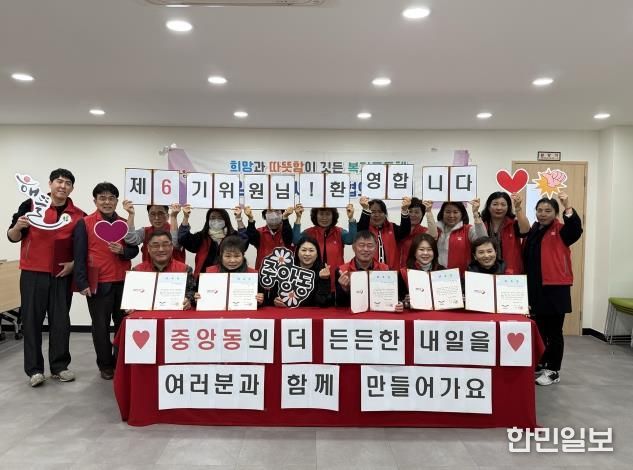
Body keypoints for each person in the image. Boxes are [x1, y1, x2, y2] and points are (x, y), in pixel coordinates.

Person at [7, 168, 85, 387]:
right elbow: (12, 236)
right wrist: (17, 226)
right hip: (33, 273)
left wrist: (74, 265)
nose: (63, 186)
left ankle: (59, 367)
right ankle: (34, 370)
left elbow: (84, 248)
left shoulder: (79, 215)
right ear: (50, 184)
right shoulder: (30, 205)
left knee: (61, 322)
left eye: (67, 183)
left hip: (61, 274)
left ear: (72, 188)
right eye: (59, 181)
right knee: (31, 321)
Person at [73, 182, 139, 380]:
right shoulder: (85, 223)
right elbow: (79, 254)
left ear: (117, 201)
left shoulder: (123, 223)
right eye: (102, 198)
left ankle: (120, 362)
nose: (107, 202)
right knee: (100, 326)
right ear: (95, 201)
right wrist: (82, 282)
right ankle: (105, 365)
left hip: (124, 281)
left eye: (111, 198)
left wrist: (123, 251)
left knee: (122, 325)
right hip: (98, 283)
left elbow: (134, 249)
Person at [524, 193, 582, 386]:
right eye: (539, 210)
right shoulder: (534, 230)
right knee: (539, 329)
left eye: (548, 211)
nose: (542, 214)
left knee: (554, 332)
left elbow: (575, 230)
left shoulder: (562, 230)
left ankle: (553, 370)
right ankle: (541, 363)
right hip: (535, 288)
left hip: (555, 288)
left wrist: (567, 206)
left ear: (556, 213)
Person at [335, 230, 402, 311]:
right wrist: (345, 289)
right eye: (361, 245)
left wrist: (398, 304)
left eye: (370, 246)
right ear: (353, 247)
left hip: (380, 315)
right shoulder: (342, 271)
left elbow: (395, 299)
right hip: (354, 316)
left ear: (375, 248)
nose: (366, 249)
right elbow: (340, 305)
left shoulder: (386, 270)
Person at [132, 230, 196, 310]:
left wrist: (188, 300)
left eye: (165, 245)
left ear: (172, 246)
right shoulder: (137, 271)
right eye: (155, 246)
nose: (161, 249)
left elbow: (192, 292)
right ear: (148, 248)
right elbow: (130, 296)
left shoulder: (185, 270)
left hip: (175, 314)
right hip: (145, 315)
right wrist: (129, 306)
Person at [178, 205, 247, 277]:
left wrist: (239, 218)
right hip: (203, 278)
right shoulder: (201, 236)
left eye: (220, 218)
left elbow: (244, 242)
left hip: (231, 278)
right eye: (213, 218)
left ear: (226, 220)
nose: (216, 220)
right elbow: (183, 239)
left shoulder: (233, 236)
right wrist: (186, 217)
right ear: (208, 220)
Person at [266, 236, 333, 308]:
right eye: (304, 250)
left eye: (311, 250)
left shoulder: (322, 272)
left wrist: (323, 280)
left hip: (310, 313)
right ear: (297, 252)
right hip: (284, 313)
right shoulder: (285, 269)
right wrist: (276, 301)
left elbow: (323, 302)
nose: (307, 254)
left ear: (317, 254)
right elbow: (271, 299)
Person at [198, 235, 264, 306]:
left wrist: (261, 300)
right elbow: (196, 297)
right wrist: (196, 299)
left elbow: (264, 300)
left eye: (237, 256)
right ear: (221, 255)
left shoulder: (253, 275)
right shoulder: (209, 273)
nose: (232, 260)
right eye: (228, 256)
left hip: (243, 311)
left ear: (243, 255)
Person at [292, 203, 356, 274]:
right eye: (321, 214)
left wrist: (351, 218)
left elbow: (351, 240)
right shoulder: (309, 232)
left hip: (336, 276)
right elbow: (296, 241)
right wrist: (298, 218)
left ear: (333, 216)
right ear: (316, 215)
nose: (324, 218)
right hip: (315, 277)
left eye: (328, 214)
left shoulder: (339, 232)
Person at [480, 192, 530, 274]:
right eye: (495, 204)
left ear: (508, 207)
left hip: (511, 273)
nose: (499, 208)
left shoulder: (513, 224)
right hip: (486, 272)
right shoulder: (482, 225)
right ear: (488, 207)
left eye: (503, 205)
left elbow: (526, 230)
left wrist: (518, 207)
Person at [357, 196, 412, 270]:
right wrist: (365, 209)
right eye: (373, 212)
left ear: (385, 213)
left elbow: (405, 231)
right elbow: (361, 229)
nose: (377, 215)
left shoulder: (393, 228)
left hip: (391, 273)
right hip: (369, 272)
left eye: (380, 212)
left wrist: (405, 210)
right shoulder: (364, 228)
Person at [436, 200, 486, 276]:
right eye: (448, 212)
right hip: (439, 276)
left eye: (455, 212)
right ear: (442, 213)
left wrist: (476, 213)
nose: (451, 215)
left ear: (462, 213)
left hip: (463, 276)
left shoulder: (468, 229)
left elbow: (484, 241)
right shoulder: (436, 230)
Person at [398, 233, 445, 308]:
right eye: (421, 249)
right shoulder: (404, 273)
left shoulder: (443, 271)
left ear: (434, 252)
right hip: (414, 313)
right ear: (414, 252)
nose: (425, 253)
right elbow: (398, 300)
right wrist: (405, 302)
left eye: (429, 249)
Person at [399, 198, 438, 268]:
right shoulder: (398, 230)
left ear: (422, 215)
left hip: (416, 271)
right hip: (397, 270)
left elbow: (434, 235)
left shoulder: (424, 231)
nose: (413, 214)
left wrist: (428, 212)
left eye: (417, 212)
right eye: (410, 211)